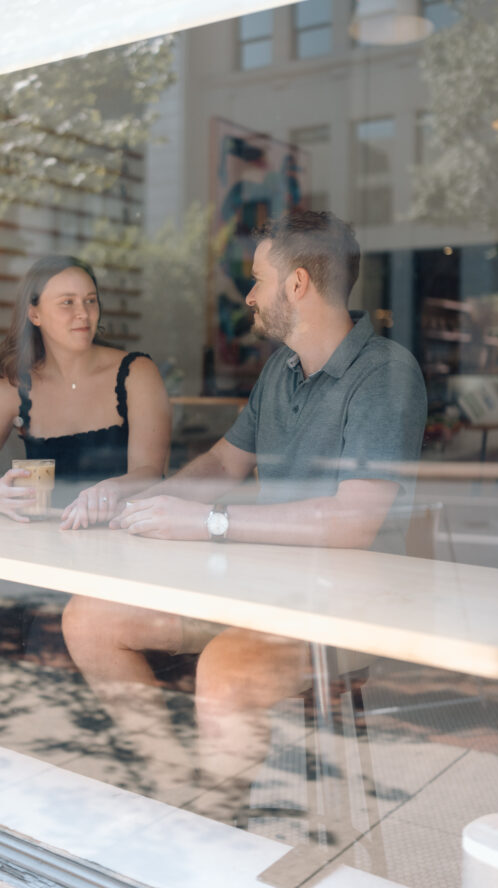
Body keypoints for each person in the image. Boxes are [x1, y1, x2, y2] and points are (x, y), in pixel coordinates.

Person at [61, 211, 427, 784]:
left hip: (347, 606)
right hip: (257, 590)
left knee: (225, 670)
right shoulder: (281, 370)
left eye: (259, 278)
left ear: (298, 283)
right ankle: (175, 784)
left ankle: (216, 832)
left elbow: (356, 521)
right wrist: (141, 503)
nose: (250, 295)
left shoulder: (385, 373)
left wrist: (209, 523)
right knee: (89, 619)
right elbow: (223, 462)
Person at [0, 255, 171, 527]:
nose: (83, 313)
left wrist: (111, 489)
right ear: (35, 314)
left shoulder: (137, 372)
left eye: (90, 300)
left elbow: (150, 472)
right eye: (68, 302)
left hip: (123, 538)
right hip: (40, 545)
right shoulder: (13, 384)